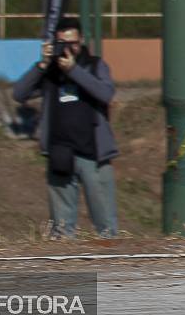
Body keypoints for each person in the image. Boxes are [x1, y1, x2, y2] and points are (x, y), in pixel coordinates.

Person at [12, 17, 119, 238]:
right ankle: (66, 269)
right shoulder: (50, 71)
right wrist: (42, 64)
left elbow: (106, 94)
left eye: (72, 43)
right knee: (61, 231)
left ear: (81, 39)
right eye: (62, 43)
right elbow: (19, 94)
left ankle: (112, 267)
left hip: (93, 154)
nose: (68, 49)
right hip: (60, 153)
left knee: (106, 226)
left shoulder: (95, 65)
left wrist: (73, 71)